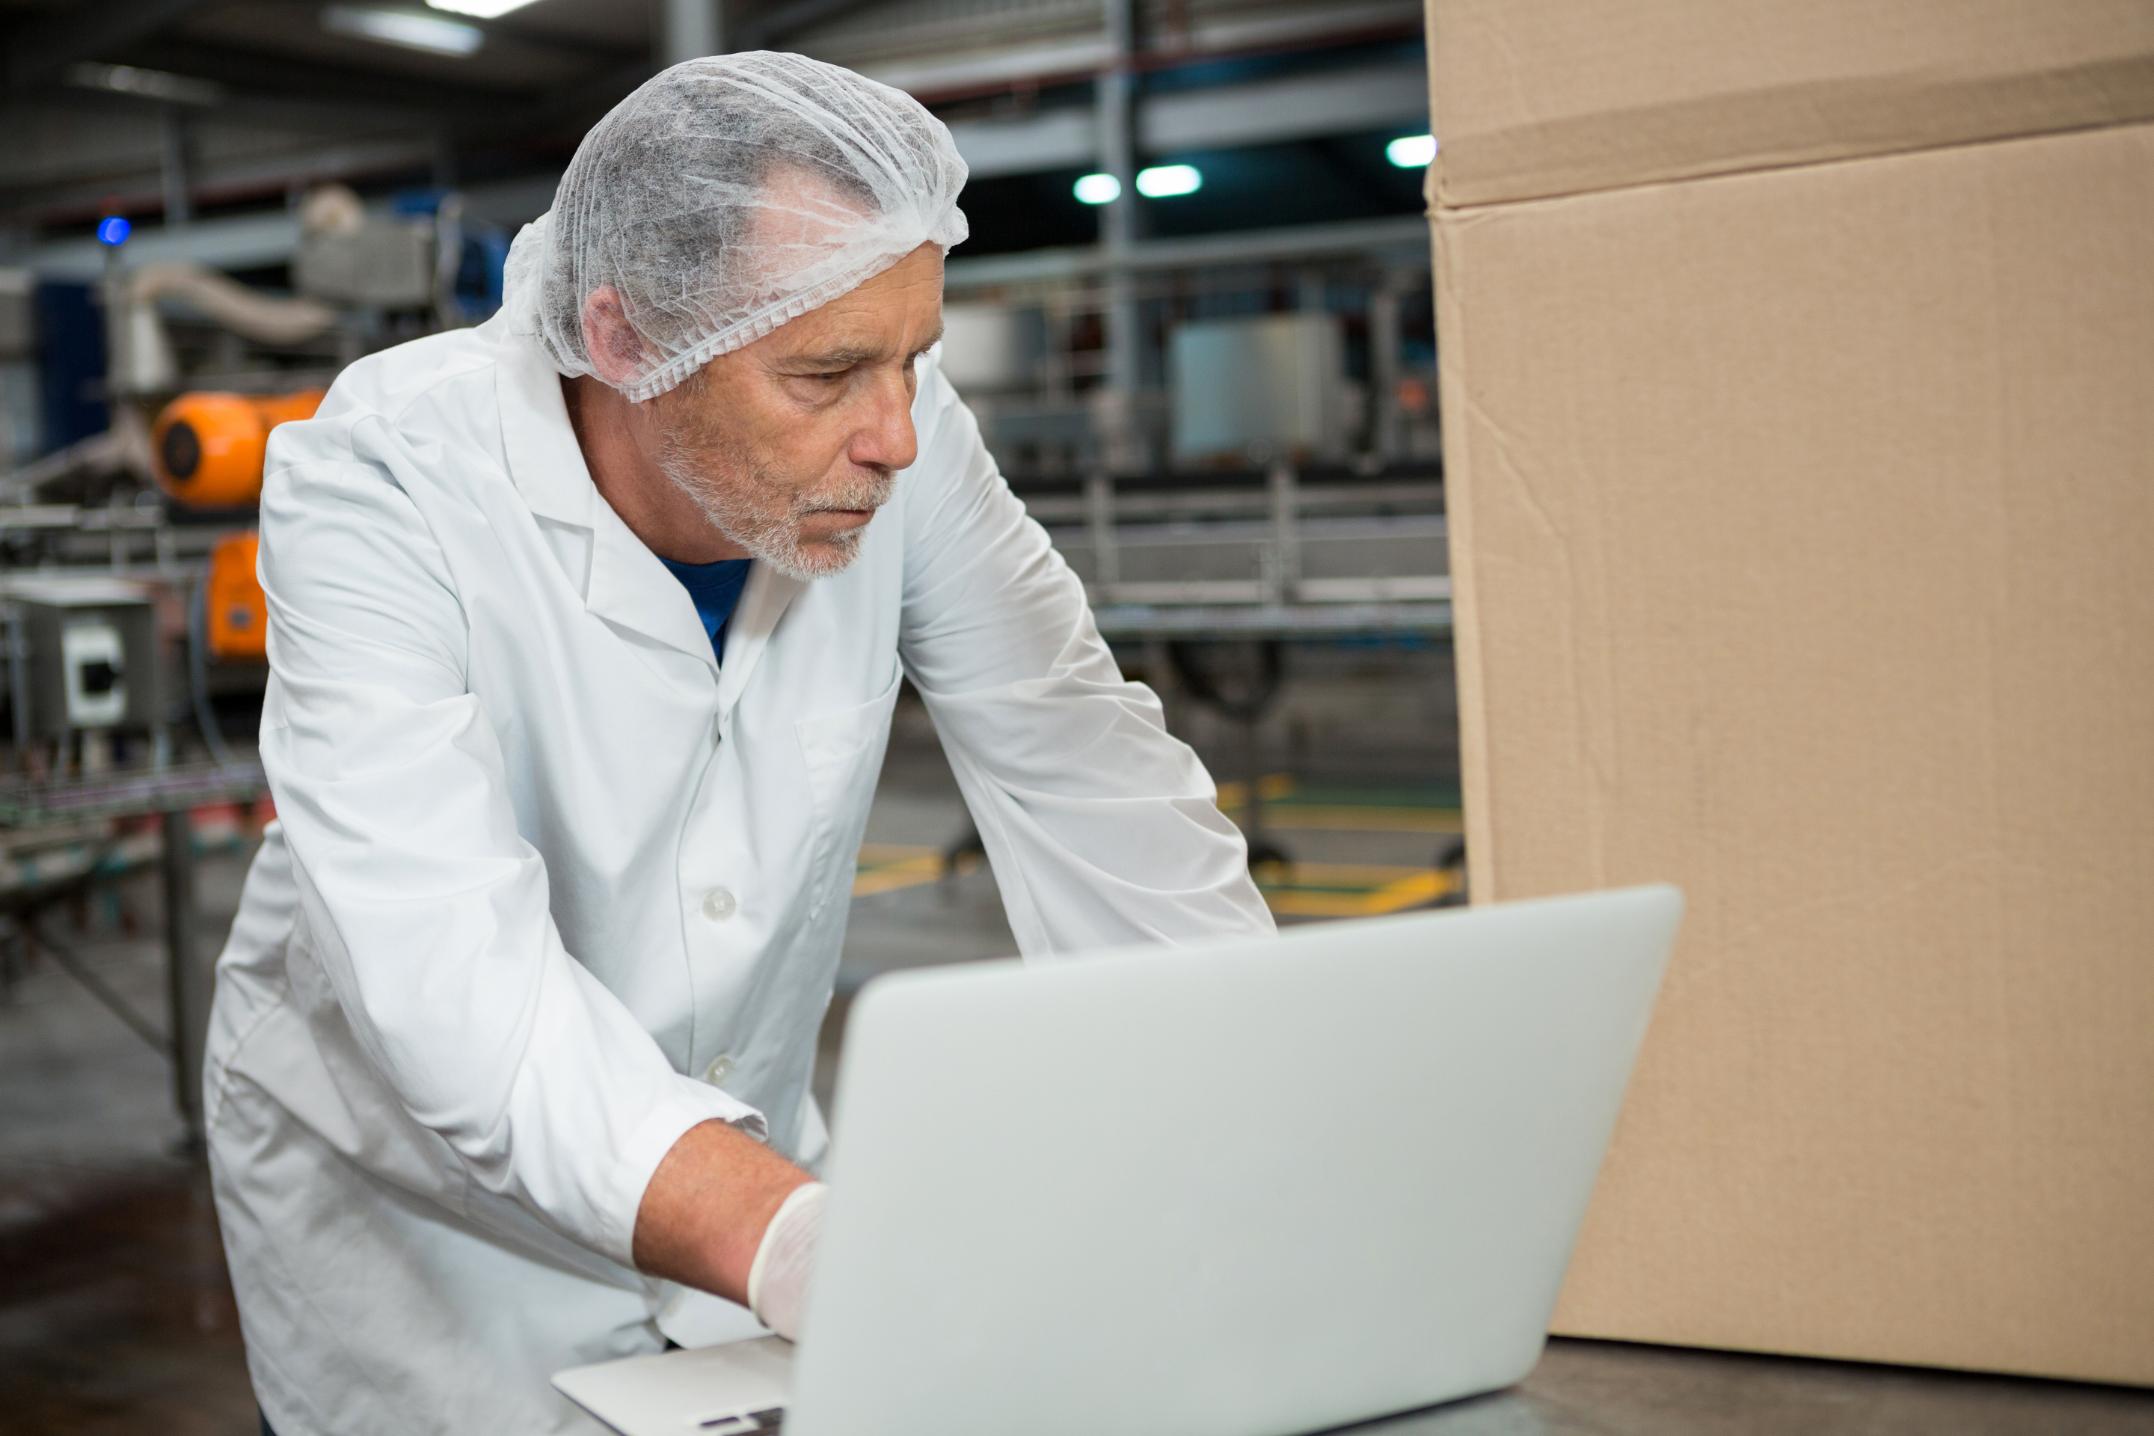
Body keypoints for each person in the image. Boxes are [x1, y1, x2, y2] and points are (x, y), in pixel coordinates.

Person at [203, 51, 1272, 1436]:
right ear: (631, 338)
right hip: (429, 1225)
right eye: (824, 372)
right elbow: (442, 965)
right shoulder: (386, 478)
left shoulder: (892, 430)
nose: (892, 434)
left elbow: (1073, 752)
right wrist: (792, 1241)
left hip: (749, 1179)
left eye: (915, 359)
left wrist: (1252, 1105)